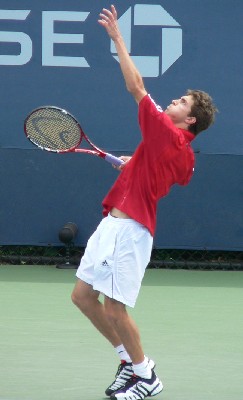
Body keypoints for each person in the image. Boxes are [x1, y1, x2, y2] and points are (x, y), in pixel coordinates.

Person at [71, 5, 218, 400]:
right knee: (83, 297)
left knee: (117, 310)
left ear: (187, 121)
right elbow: (159, 170)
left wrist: (117, 38)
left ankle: (146, 376)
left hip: (131, 231)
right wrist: (134, 164)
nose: (173, 100)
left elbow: (137, 88)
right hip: (114, 224)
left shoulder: (168, 135)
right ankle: (127, 362)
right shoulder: (179, 149)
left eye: (181, 102)